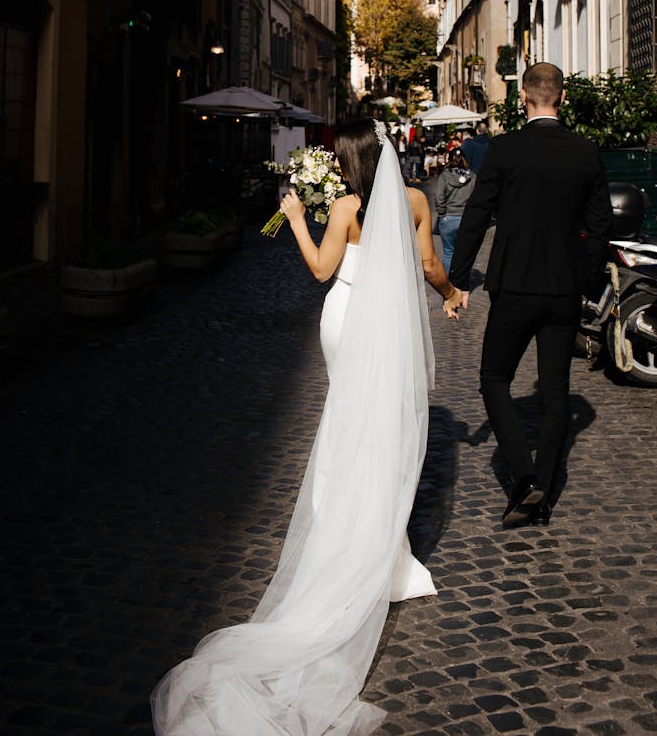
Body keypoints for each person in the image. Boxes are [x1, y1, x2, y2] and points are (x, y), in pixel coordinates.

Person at [152, 118, 464, 736]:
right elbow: (428, 262)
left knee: (348, 418)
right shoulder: (415, 200)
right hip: (391, 325)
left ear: (346, 160)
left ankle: (344, 535)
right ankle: (388, 554)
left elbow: (323, 270)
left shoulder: (346, 205)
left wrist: (295, 214)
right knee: (384, 426)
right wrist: (451, 293)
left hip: (347, 316)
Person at [448, 62, 612, 530]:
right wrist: (584, 275)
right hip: (563, 289)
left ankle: (524, 478)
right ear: (562, 97)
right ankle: (543, 485)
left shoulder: (506, 149)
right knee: (555, 392)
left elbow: (476, 215)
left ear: (524, 97)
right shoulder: (585, 151)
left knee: (494, 378)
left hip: (515, 285)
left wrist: (459, 279)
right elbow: (601, 225)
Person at [433, 148, 475, 274]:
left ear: (449, 159)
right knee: (463, 253)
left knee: (448, 252)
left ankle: (448, 283)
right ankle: (461, 280)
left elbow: (438, 196)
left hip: (448, 218)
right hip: (466, 218)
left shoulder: (445, 176)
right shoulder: (472, 176)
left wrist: (442, 213)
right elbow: (477, 197)